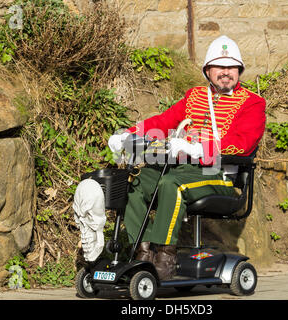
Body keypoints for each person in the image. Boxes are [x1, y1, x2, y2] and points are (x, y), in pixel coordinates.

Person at [107, 35, 266, 280]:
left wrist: (202, 148)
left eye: (231, 67)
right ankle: (142, 252)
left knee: (171, 184)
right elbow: (163, 121)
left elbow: (243, 144)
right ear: (207, 71)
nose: (225, 73)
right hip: (181, 169)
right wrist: (128, 134)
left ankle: (165, 257)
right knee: (135, 181)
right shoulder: (195, 97)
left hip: (219, 174)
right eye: (219, 67)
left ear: (239, 70)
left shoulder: (252, 103)